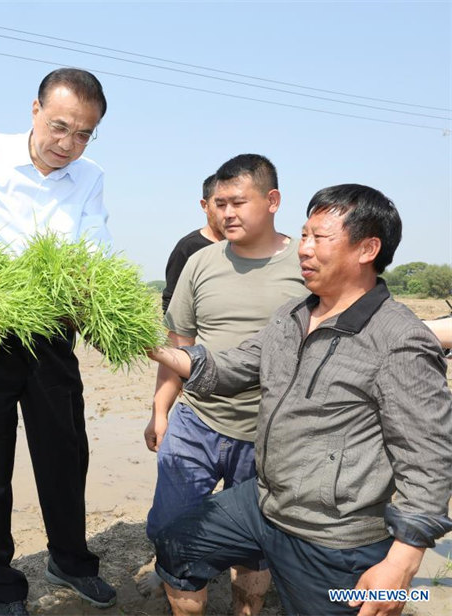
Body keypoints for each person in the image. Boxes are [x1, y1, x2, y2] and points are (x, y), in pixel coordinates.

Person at [148, 184, 452, 616]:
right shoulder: (292, 316)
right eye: (303, 235)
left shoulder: (399, 342)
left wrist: (403, 563)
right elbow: (230, 368)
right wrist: (148, 345)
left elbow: (430, 462)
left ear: (367, 249)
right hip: (264, 502)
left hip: (335, 537)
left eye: (318, 238)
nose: (303, 250)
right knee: (176, 541)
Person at [0, 68, 116, 616]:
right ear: (34, 109)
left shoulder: (90, 177)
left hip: (52, 335)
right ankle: (0, 579)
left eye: (84, 134)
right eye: (60, 126)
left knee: (66, 451)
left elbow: (94, 251)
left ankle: (70, 558)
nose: (69, 144)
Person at [143, 154, 306, 614]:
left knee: (255, 545)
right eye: (220, 203)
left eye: (239, 202)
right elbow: (180, 347)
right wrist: (160, 412)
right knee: (173, 534)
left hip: (269, 435)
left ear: (273, 200)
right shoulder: (199, 263)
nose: (227, 213)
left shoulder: (308, 265)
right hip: (197, 423)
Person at [160, 174, 223, 314]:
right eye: (221, 204)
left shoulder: (247, 245)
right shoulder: (188, 247)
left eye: (236, 203)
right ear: (205, 205)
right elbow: (171, 301)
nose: (228, 212)